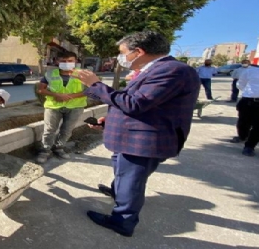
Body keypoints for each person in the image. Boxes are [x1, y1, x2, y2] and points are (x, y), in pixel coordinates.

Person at [75, 31, 200, 237]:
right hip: (132, 135)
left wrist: (95, 85)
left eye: (123, 53)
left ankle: (122, 221)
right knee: (123, 173)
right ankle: (118, 192)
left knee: (132, 181)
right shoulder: (154, 69)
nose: (120, 58)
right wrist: (110, 121)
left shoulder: (172, 70)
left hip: (144, 141)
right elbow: (143, 103)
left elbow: (135, 104)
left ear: (139, 51)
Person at [36, 51, 87, 164]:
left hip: (75, 106)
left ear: (75, 61)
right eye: (63, 61)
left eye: (70, 61)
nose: (67, 63)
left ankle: (59, 148)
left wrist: (70, 97)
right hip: (53, 106)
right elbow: (41, 89)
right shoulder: (50, 74)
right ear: (57, 61)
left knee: (67, 130)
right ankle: (45, 150)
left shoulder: (83, 74)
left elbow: (91, 90)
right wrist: (57, 95)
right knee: (49, 130)